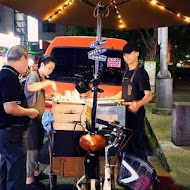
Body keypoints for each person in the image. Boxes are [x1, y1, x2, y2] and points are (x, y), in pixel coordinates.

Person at [0, 45, 39, 190]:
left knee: (6, 169)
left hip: (5, 131)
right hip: (12, 132)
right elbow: (10, 107)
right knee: (16, 172)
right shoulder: (9, 76)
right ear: (23, 58)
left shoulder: (5, 73)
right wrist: (30, 112)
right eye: (27, 59)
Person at [113, 42, 152, 161]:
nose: (127, 57)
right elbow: (123, 92)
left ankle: (146, 174)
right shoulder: (125, 72)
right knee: (125, 145)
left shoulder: (141, 73)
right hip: (124, 113)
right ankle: (129, 173)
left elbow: (149, 95)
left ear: (137, 54)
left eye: (129, 53)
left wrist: (138, 104)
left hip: (136, 115)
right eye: (124, 54)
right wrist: (109, 98)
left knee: (137, 144)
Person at [24, 55, 56, 187]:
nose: (50, 71)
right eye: (49, 68)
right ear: (41, 65)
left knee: (37, 146)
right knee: (32, 148)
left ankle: (36, 172)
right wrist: (47, 83)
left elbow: (38, 95)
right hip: (31, 118)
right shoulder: (34, 76)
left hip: (38, 118)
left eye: (52, 69)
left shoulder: (40, 77)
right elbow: (30, 88)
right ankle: (29, 179)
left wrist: (49, 95)